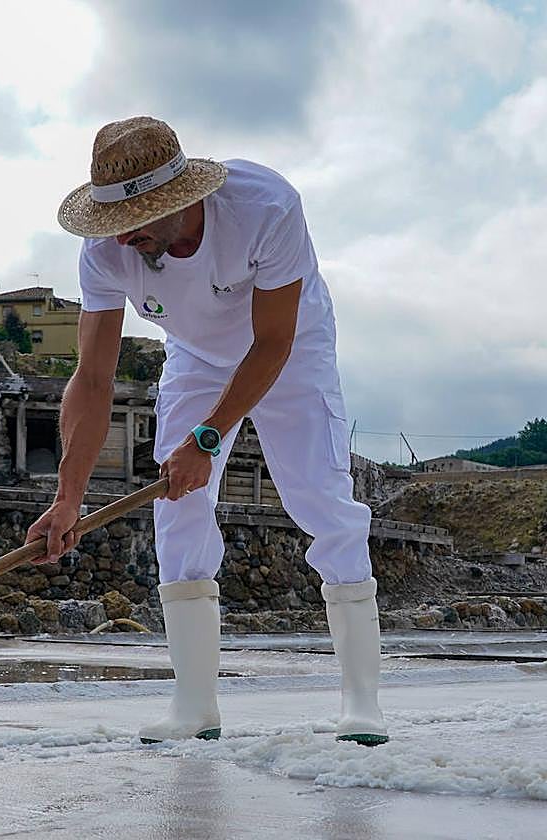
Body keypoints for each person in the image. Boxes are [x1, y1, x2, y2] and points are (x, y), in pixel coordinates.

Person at [27, 117, 387, 746]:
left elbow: (272, 340)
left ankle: (362, 704)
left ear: (182, 198)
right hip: (195, 353)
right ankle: (195, 705)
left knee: (320, 501)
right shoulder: (108, 251)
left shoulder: (264, 206)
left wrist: (211, 436)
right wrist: (67, 499)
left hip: (291, 348)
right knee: (179, 507)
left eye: (138, 220)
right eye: (114, 224)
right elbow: (91, 380)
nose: (126, 237)